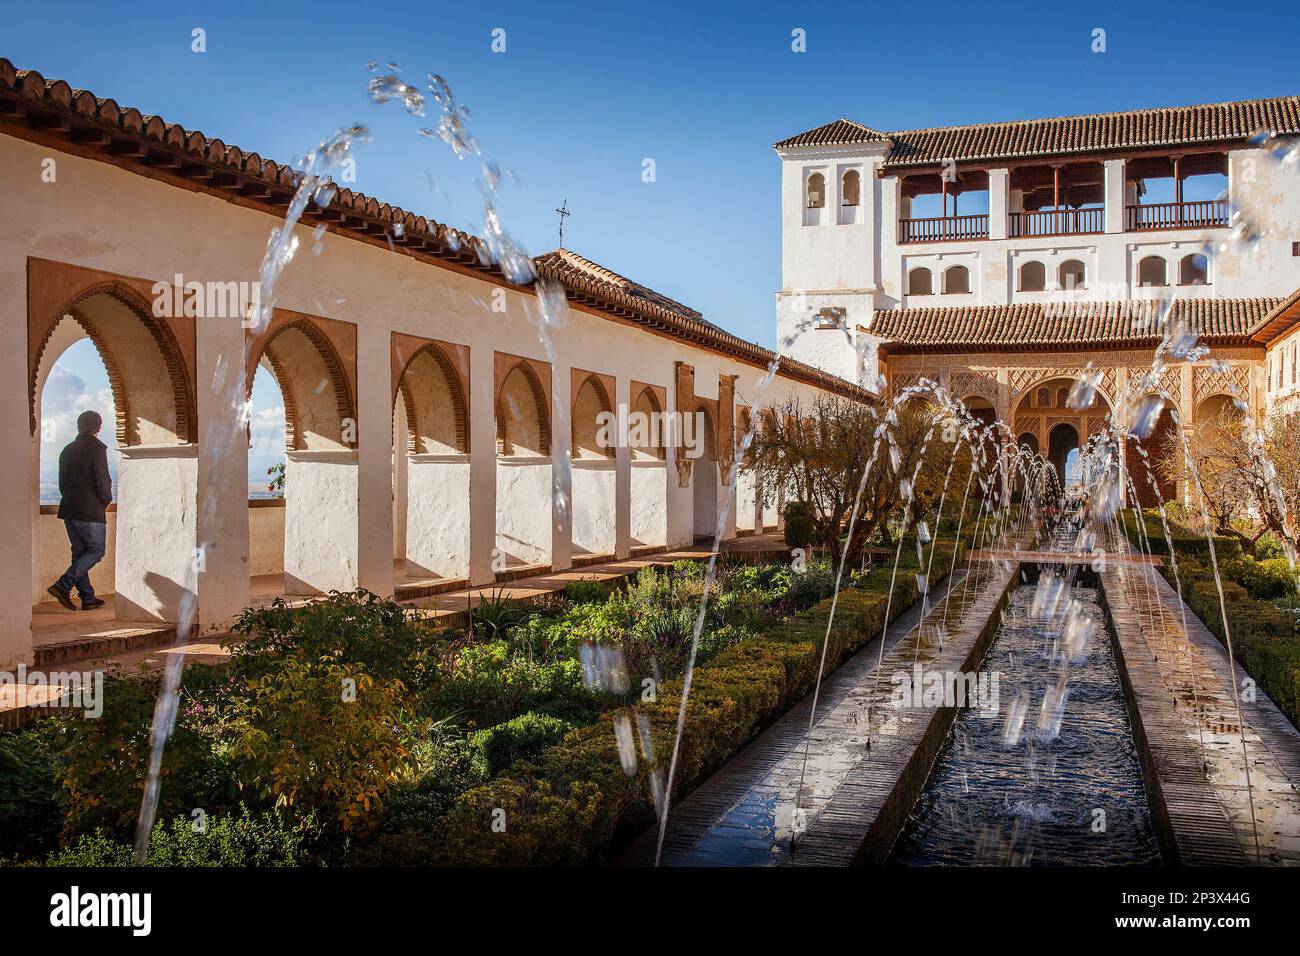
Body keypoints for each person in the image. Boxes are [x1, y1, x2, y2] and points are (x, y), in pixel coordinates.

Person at [47, 410, 112, 611]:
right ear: (98, 428)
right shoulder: (97, 448)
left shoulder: (67, 450)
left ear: (78, 426)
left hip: (69, 508)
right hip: (90, 510)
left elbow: (62, 483)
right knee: (96, 551)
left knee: (80, 553)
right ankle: (63, 585)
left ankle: (87, 597)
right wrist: (104, 501)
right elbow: (102, 479)